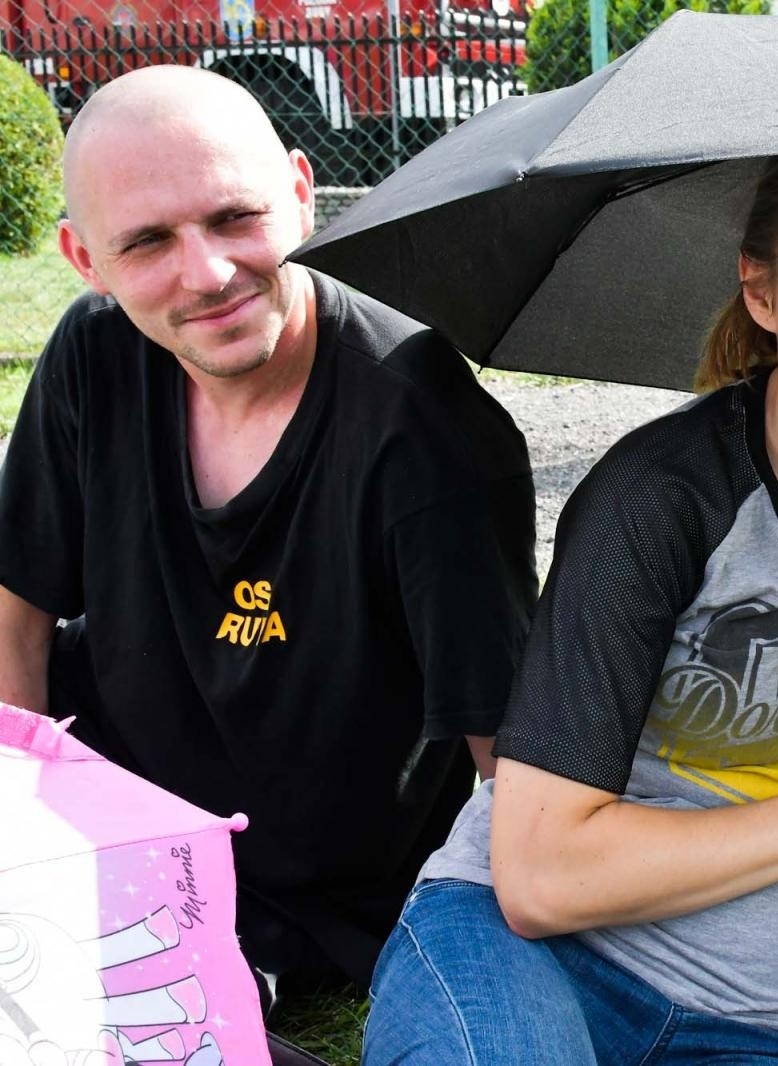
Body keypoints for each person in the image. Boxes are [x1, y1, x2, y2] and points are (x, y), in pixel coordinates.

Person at [361, 143, 778, 1065]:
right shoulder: (658, 497)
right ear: (763, 291)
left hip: (758, 1026)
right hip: (530, 956)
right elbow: (539, 876)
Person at [0, 66, 537, 998]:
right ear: (85, 261)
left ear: (299, 193)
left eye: (233, 218)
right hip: (118, 837)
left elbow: (506, 761)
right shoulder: (94, 354)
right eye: (148, 242)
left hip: (323, 908)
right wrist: (28, 865)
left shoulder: (427, 432)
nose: (206, 274)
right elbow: (15, 627)